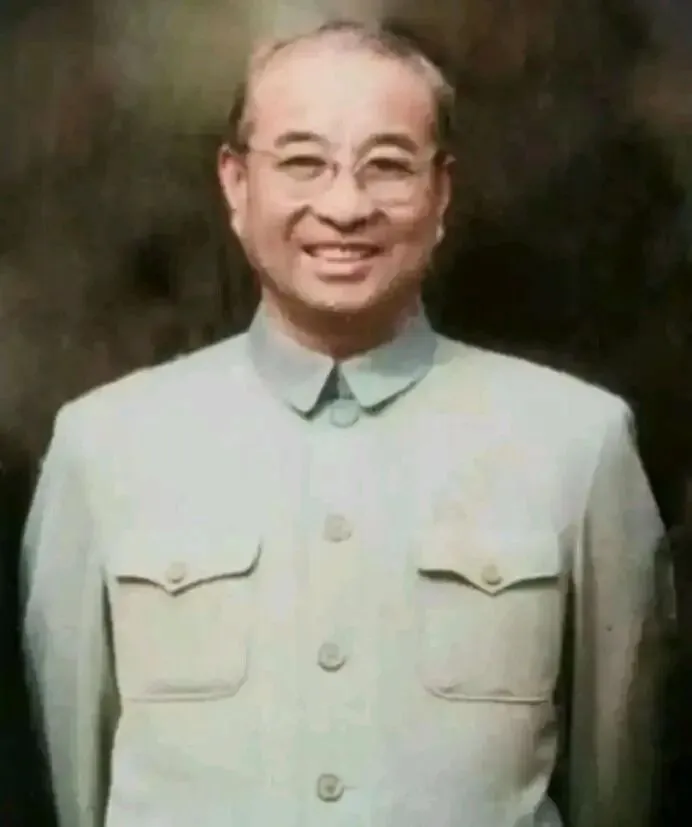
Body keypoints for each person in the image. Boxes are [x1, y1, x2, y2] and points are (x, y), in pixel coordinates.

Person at [21, 18, 667, 827]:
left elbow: (617, 781)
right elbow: (73, 786)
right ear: (236, 183)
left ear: (441, 192)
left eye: (388, 165)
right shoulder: (101, 448)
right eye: (303, 162)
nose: (345, 205)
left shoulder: (579, 443)